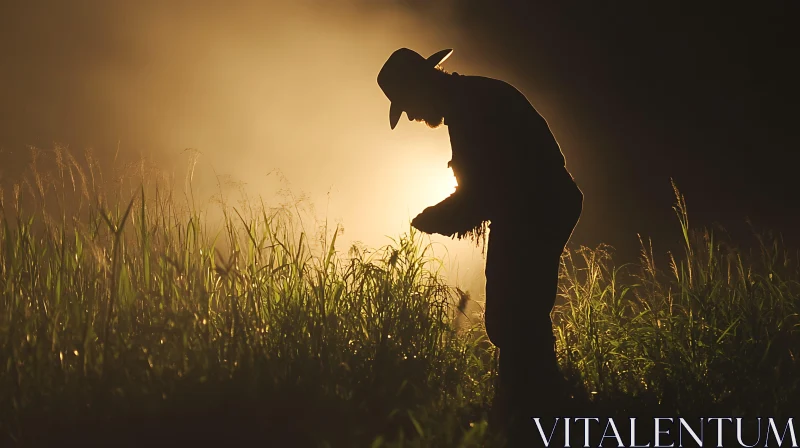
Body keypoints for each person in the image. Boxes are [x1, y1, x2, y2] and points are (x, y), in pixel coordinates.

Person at [377, 48, 584, 444]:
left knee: (514, 314)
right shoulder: (471, 100)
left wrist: (436, 218)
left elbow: (481, 194)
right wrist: (447, 213)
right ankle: (536, 406)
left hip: (537, 207)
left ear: (423, 84)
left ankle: (530, 412)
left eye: (409, 106)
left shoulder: (471, 109)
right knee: (517, 313)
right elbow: (485, 191)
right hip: (535, 205)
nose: (415, 117)